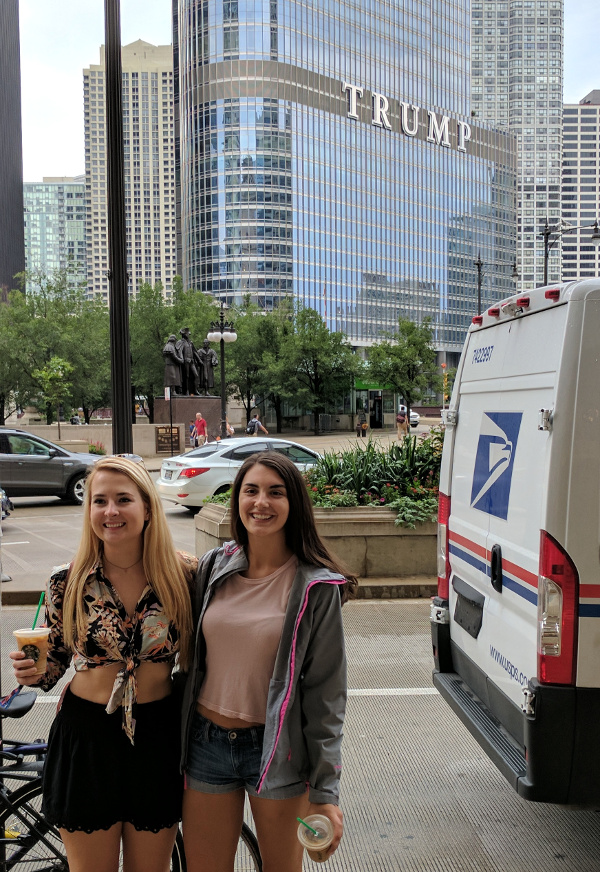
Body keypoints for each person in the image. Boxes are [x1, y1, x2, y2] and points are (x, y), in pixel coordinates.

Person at [9, 456, 197, 872]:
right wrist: (34, 670)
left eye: (123, 499)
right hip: (86, 737)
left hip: (157, 737)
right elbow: (54, 658)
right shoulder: (67, 580)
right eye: (99, 501)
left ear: (147, 508)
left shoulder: (184, 575)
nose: (110, 511)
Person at [180, 453, 357, 872]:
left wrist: (326, 793)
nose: (261, 502)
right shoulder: (214, 567)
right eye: (251, 490)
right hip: (206, 744)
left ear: (293, 503)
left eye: (275, 492)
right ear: (236, 499)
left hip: (278, 751)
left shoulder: (315, 588)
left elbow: (326, 697)